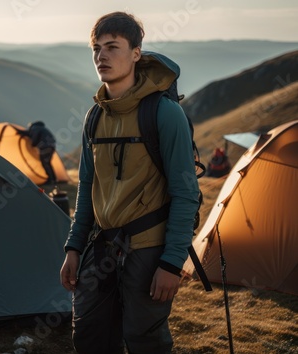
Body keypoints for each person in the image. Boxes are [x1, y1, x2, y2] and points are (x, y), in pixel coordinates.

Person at [59, 12, 200, 354]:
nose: (101, 56)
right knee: (90, 335)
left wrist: (171, 263)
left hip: (149, 250)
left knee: (144, 339)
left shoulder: (164, 114)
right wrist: (74, 248)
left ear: (136, 53)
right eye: (96, 48)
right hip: (102, 246)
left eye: (112, 47)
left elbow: (186, 194)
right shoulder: (95, 116)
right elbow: (88, 188)